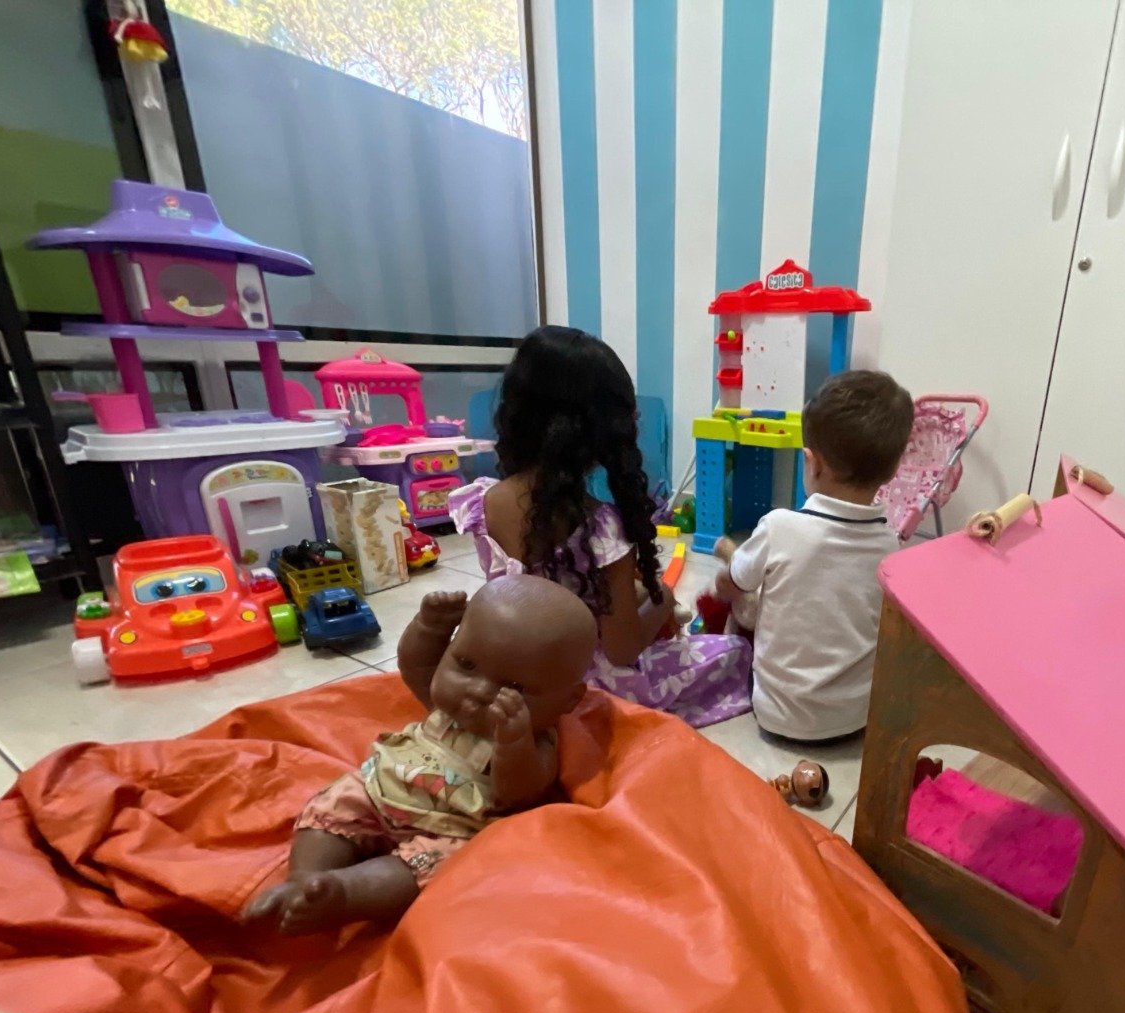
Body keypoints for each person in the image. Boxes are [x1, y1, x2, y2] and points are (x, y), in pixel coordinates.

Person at [241, 576, 597, 936]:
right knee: (332, 805)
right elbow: (415, 667)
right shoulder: (448, 705)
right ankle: (304, 881)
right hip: (379, 789)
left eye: (515, 687)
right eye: (466, 664)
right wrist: (429, 628)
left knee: (433, 867)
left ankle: (343, 894)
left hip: (451, 829)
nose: (478, 691)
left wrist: (513, 740)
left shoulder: (539, 741)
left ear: (568, 700)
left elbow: (518, 793)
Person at [450, 325, 751, 728]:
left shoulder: (482, 500)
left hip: (513, 677)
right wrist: (662, 598)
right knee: (732, 651)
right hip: (583, 692)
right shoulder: (600, 526)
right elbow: (621, 650)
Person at [712, 370, 915, 742]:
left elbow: (734, 582)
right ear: (891, 472)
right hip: (854, 718)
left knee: (745, 600)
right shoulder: (889, 546)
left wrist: (726, 579)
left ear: (812, 462)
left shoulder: (779, 527)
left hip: (776, 714)